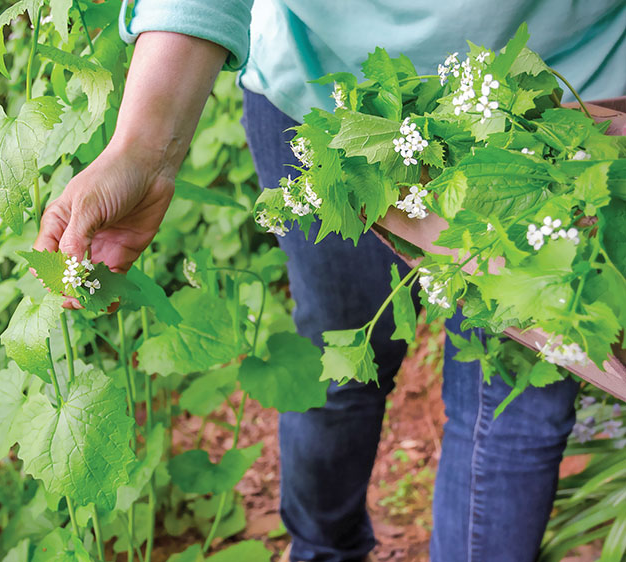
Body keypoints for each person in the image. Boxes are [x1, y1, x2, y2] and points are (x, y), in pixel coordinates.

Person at [33, 2, 626, 560]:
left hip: (562, 110)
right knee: (340, 363)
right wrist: (143, 149)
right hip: (328, 99)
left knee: (516, 407)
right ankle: (322, 549)